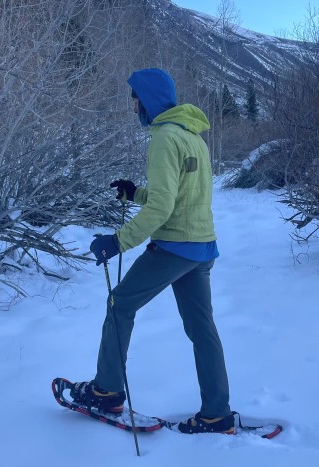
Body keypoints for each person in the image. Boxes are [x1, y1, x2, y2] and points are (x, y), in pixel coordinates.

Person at [72, 68, 234, 434]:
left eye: (135, 98)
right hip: (202, 246)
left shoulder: (163, 139)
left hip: (174, 245)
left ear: (148, 100)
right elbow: (178, 196)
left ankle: (106, 391)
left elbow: (162, 210)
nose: (133, 106)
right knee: (202, 328)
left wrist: (117, 241)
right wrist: (136, 193)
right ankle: (216, 413)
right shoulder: (194, 137)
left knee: (120, 304)